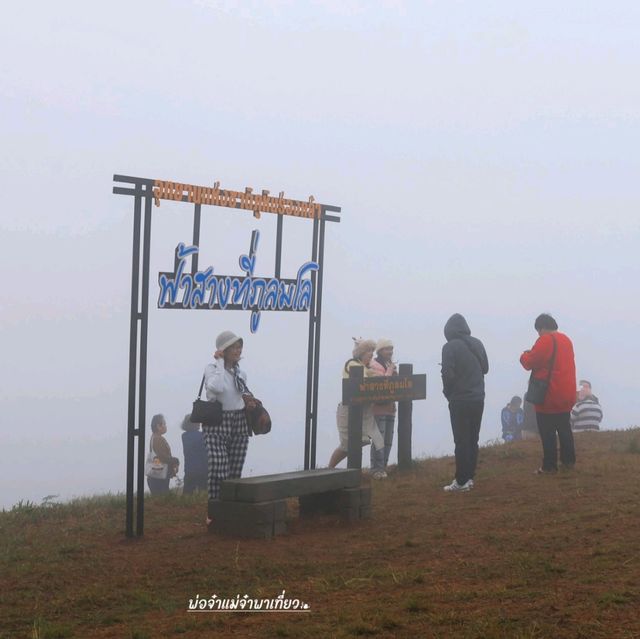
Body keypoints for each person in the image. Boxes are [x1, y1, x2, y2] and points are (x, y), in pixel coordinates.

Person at [520, 313, 577, 474]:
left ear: (542, 327)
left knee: (547, 432)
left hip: (549, 395)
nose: (538, 334)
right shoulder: (566, 340)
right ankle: (568, 461)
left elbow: (530, 362)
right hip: (566, 393)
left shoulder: (545, 340)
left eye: (538, 330)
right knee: (565, 429)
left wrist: (524, 355)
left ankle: (549, 466)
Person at [441, 314, 489, 492]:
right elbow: (485, 368)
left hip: (460, 399)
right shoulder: (477, 343)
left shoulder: (449, 347)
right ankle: (469, 477)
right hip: (478, 398)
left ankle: (460, 481)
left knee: (461, 440)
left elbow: (447, 373)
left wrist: (448, 392)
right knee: (472, 439)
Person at [202, 331, 251, 506]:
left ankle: (231, 506)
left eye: (239, 347)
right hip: (217, 421)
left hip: (239, 420)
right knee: (218, 467)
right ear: (224, 350)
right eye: (234, 348)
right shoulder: (212, 369)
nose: (238, 351)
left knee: (235, 469)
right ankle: (214, 507)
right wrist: (220, 362)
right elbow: (216, 388)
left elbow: (240, 395)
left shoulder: (240, 373)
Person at [328, 338, 384, 469]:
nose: (371, 353)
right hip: (349, 408)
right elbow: (361, 381)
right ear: (361, 352)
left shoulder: (366, 367)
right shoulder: (352, 364)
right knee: (347, 445)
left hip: (362, 409)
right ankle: (330, 469)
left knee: (361, 441)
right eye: (368, 350)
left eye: (372, 350)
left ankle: (353, 470)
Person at [369, 338, 397, 479]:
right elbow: (380, 385)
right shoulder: (373, 365)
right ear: (380, 351)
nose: (390, 352)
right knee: (378, 439)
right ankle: (376, 469)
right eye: (387, 349)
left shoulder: (389, 364)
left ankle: (383, 467)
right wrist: (390, 371)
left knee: (388, 439)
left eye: (391, 349)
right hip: (378, 408)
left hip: (390, 407)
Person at [147, 414, 180, 495]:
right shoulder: (158, 439)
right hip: (159, 477)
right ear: (158, 426)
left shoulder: (154, 438)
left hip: (156, 476)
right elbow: (163, 457)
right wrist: (176, 461)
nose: (166, 426)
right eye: (164, 424)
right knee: (163, 498)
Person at [181, 415, 208, 495]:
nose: (200, 423)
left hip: (189, 470)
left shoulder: (184, 436)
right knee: (203, 493)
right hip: (202, 469)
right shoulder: (202, 436)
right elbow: (205, 453)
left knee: (187, 494)